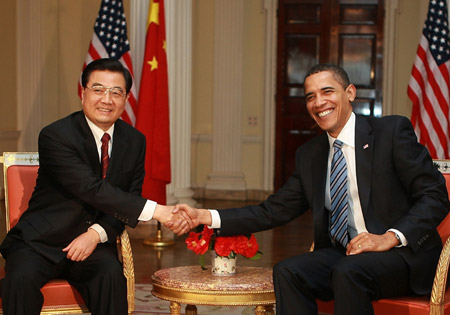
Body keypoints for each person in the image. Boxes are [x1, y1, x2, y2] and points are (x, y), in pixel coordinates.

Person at [170, 64, 450, 315]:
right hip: (346, 255)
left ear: (349, 92)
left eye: (327, 91)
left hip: (402, 256)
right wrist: (205, 216)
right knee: (289, 271)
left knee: (347, 272)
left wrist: (389, 237)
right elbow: (272, 211)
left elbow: (435, 196)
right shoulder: (310, 155)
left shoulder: (390, 132)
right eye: (310, 96)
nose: (319, 103)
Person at [0, 58, 191, 315]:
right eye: (98, 89)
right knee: (19, 281)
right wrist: (159, 212)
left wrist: (96, 234)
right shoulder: (56, 135)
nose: (107, 99)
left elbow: (128, 198)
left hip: (94, 242)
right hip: (40, 242)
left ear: (125, 99)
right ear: (83, 93)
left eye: (116, 92)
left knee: (111, 276)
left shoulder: (134, 141)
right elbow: (91, 189)